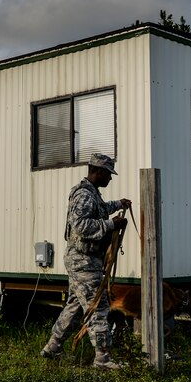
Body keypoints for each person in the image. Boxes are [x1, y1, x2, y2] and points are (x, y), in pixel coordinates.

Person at [41, 153, 132, 369]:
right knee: (97, 306)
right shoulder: (84, 195)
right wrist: (111, 225)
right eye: (108, 174)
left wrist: (118, 204)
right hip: (83, 261)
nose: (110, 178)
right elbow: (80, 226)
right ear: (98, 172)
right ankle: (102, 358)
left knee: (75, 306)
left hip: (83, 260)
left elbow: (98, 210)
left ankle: (53, 347)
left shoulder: (91, 195)